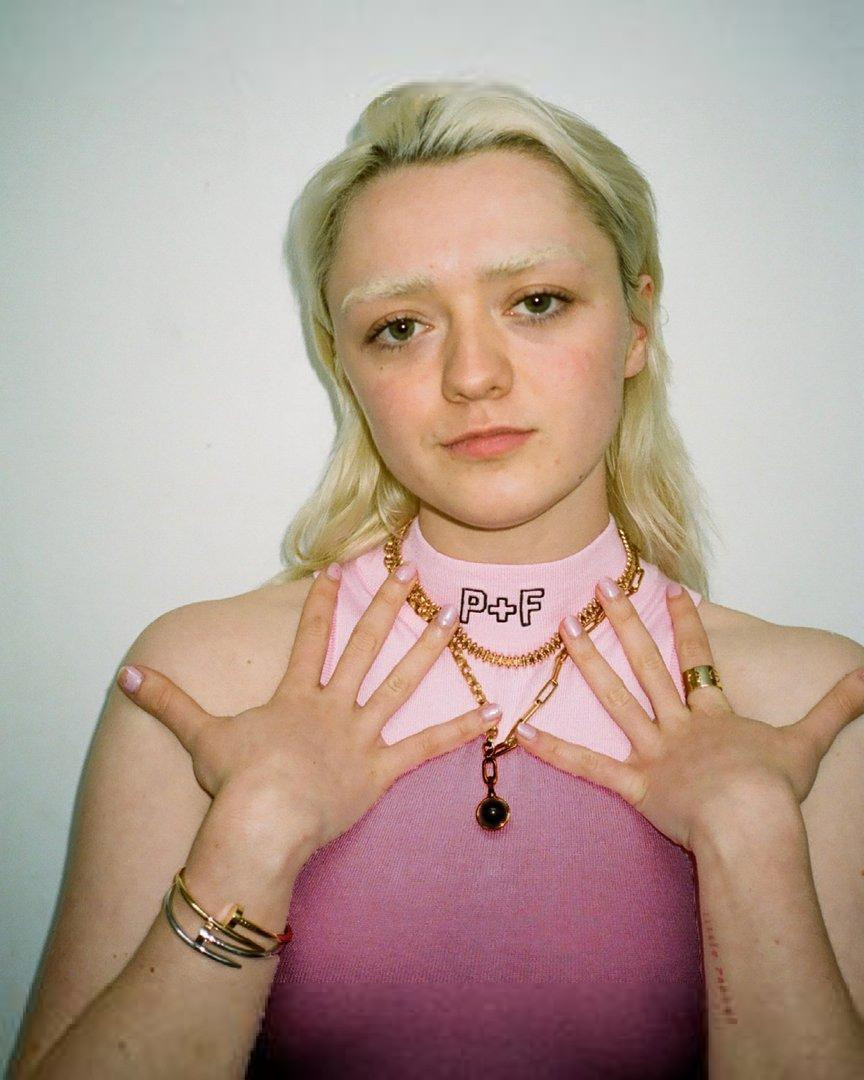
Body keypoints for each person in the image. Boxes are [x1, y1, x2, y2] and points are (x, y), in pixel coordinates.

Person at [10, 79, 864, 1080]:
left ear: (638, 323)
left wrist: (750, 837)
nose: (471, 375)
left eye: (536, 303)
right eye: (401, 326)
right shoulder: (203, 681)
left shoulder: (805, 706)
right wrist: (255, 831)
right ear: (343, 362)